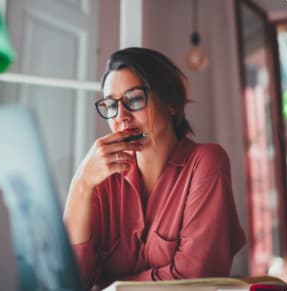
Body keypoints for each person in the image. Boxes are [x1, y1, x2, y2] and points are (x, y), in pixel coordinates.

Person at [63, 47, 246, 290]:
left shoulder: (206, 162)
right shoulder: (100, 179)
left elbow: (195, 278)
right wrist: (81, 184)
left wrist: (109, 285)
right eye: (111, 105)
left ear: (170, 103)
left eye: (135, 99)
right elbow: (71, 281)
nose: (122, 117)